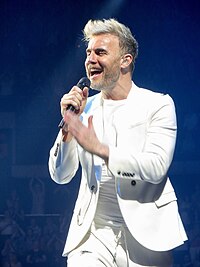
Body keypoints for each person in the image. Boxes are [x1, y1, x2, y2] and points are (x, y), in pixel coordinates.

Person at [48, 18, 187, 267]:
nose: (90, 59)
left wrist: (101, 149)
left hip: (147, 237)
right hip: (93, 236)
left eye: (100, 52)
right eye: (88, 52)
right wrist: (68, 129)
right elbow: (60, 176)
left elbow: (156, 167)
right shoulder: (84, 109)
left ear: (126, 60)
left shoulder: (158, 104)